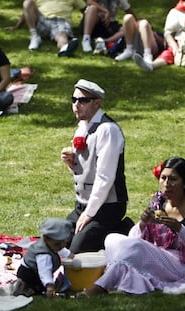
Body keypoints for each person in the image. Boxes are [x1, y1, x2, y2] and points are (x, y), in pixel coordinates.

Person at [83, 157, 185, 297]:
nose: (166, 184)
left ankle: (101, 285)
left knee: (135, 247)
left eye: (173, 179)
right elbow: (132, 238)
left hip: (183, 264)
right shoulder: (159, 202)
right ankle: (113, 280)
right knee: (112, 239)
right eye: (163, 178)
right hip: (158, 254)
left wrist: (179, 229)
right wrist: (143, 223)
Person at [61, 79, 131, 254]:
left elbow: (105, 177)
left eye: (83, 100)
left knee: (76, 253)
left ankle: (124, 231)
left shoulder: (108, 130)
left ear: (97, 103)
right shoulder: (82, 127)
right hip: (83, 204)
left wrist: (89, 214)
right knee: (56, 242)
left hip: (107, 207)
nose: (77, 105)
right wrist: (72, 164)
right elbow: (85, 168)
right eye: (74, 99)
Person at [13, 218, 73, 298]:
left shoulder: (53, 244)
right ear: (45, 239)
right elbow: (44, 271)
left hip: (35, 270)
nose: (61, 246)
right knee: (38, 290)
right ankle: (23, 288)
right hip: (30, 273)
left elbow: (60, 249)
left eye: (64, 243)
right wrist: (49, 284)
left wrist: (69, 254)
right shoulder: (43, 254)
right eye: (58, 244)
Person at [5, 0, 86, 56]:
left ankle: (64, 49)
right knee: (27, 2)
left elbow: (85, 10)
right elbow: (27, 10)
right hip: (42, 20)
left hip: (60, 21)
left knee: (62, 35)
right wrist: (17, 26)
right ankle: (34, 36)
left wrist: (85, 28)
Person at [133, 0, 185, 72]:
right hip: (181, 44)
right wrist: (174, 47)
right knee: (168, 53)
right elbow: (168, 33)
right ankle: (151, 65)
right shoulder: (175, 12)